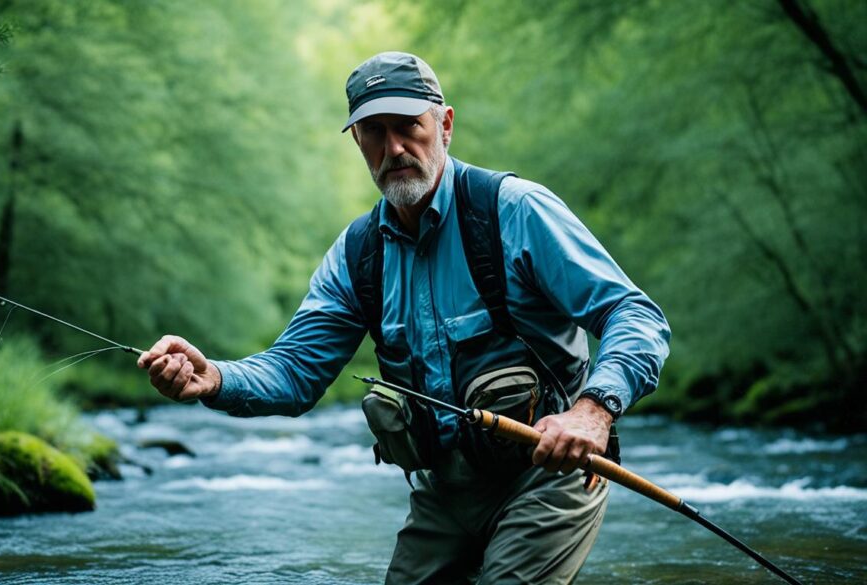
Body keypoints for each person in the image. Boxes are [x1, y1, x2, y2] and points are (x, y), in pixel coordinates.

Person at [138, 51, 670, 584]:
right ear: (357, 141)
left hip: (547, 478)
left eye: (408, 126)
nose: (394, 148)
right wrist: (215, 378)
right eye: (374, 131)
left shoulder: (515, 212)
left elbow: (635, 314)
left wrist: (593, 412)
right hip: (442, 492)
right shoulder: (357, 256)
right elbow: (294, 371)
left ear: (445, 124)